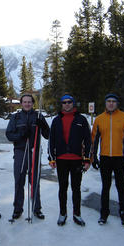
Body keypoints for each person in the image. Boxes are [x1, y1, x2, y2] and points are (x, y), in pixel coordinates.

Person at [91, 93, 124, 226]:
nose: (111, 103)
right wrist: (93, 158)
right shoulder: (99, 119)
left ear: (117, 103)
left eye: (113, 101)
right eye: (108, 101)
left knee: (120, 187)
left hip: (119, 158)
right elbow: (94, 140)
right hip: (105, 158)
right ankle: (104, 213)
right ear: (105, 103)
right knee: (105, 187)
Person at [48, 94, 91, 226]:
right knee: (62, 188)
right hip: (61, 159)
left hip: (77, 159)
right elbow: (51, 140)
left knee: (76, 188)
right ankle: (62, 213)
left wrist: (87, 159)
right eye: (64, 102)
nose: (67, 104)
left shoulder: (81, 119)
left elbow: (88, 140)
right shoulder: (56, 120)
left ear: (73, 103)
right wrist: (51, 158)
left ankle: (77, 214)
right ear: (61, 105)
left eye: (69, 102)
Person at [6, 94, 50, 220]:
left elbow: (48, 134)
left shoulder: (38, 116)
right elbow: (9, 135)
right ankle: (17, 209)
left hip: (34, 151)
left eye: (29, 102)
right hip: (20, 151)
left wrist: (43, 125)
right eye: (24, 102)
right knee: (19, 180)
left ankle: (37, 209)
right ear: (21, 103)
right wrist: (20, 135)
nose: (27, 104)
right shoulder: (16, 117)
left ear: (33, 103)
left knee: (34, 180)